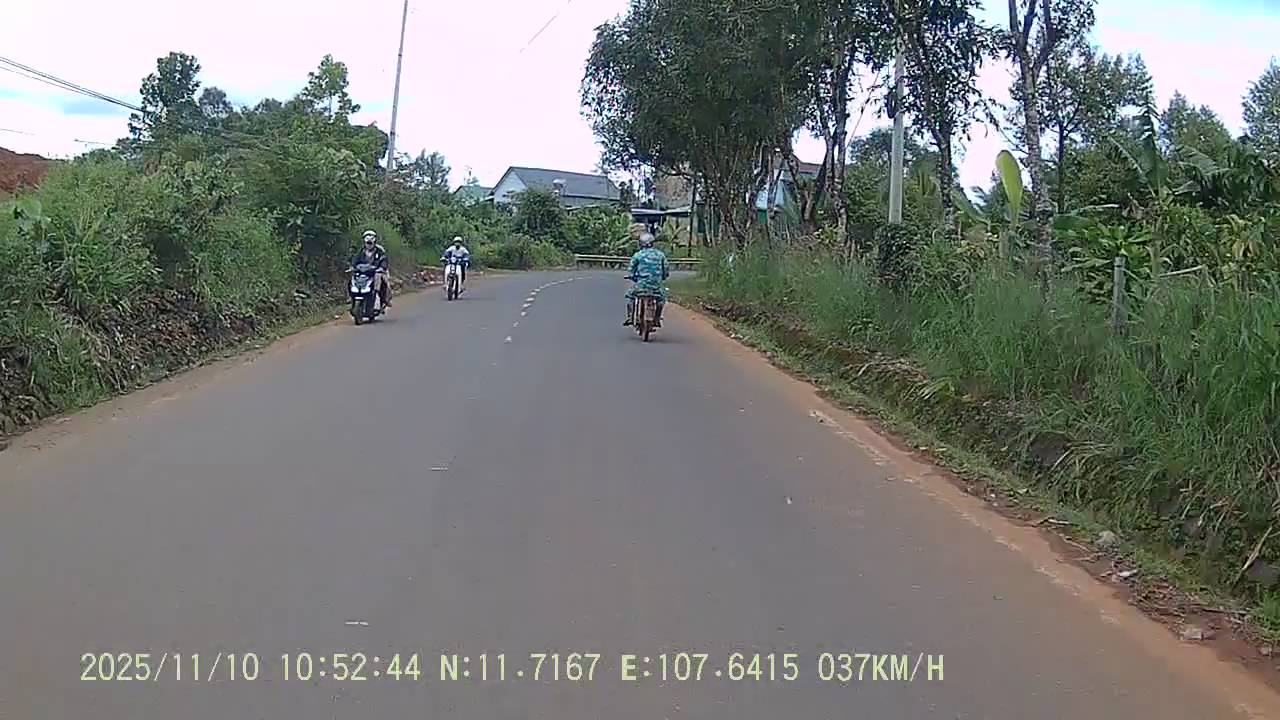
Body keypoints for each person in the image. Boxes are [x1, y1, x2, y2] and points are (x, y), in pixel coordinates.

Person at [624, 232, 669, 327]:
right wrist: (663, 277)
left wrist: (631, 276)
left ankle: (630, 317)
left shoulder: (638, 255)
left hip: (641, 285)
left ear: (641, 243)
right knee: (661, 299)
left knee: (630, 296)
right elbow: (665, 269)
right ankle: (657, 318)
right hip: (656, 285)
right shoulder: (660, 255)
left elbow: (631, 269)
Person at [351, 230, 391, 309]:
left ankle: (380, 299)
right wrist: (353, 266)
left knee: (380, 279)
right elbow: (355, 259)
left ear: (374, 242)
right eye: (367, 243)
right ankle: (351, 297)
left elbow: (384, 260)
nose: (369, 245)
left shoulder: (380, 251)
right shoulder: (361, 251)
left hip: (377, 272)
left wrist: (381, 267)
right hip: (364, 272)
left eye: (370, 243)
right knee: (352, 278)